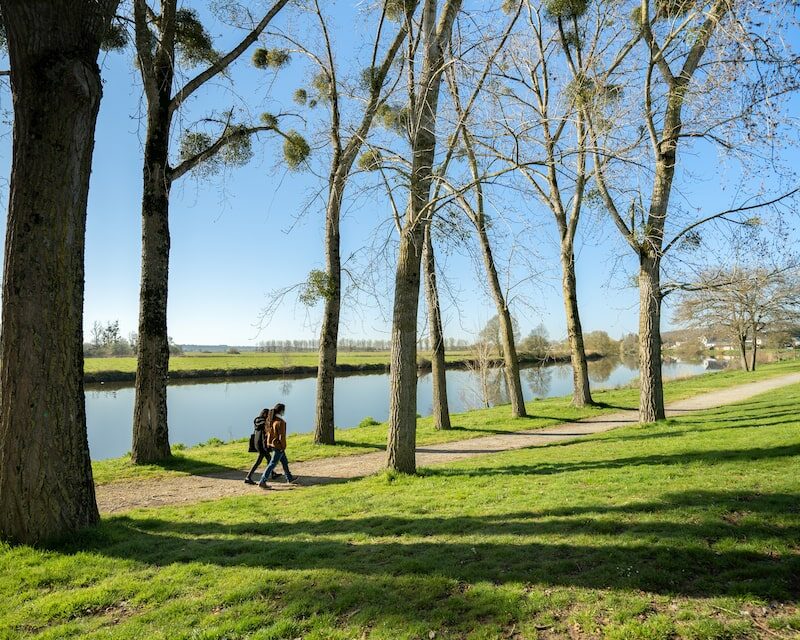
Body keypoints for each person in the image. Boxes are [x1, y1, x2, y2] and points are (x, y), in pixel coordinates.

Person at [258, 402, 297, 488]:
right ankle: (262, 481)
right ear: (281, 411)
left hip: (272, 444)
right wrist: (283, 447)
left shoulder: (271, 420)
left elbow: (268, 434)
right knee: (272, 464)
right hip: (278, 446)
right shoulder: (280, 422)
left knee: (284, 461)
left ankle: (289, 477)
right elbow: (282, 436)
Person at [244, 406, 279, 485]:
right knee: (258, 462)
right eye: (267, 415)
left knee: (269, 459)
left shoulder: (258, 420)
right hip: (261, 445)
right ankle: (248, 477)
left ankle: (273, 473)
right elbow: (267, 425)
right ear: (264, 414)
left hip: (259, 444)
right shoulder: (261, 422)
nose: (268, 416)